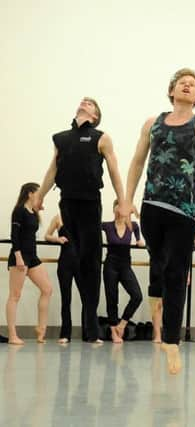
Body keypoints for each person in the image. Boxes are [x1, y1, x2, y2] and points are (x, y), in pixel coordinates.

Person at [122, 68, 195, 374]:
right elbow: (138, 161)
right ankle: (160, 319)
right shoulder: (153, 124)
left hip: (183, 212)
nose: (187, 86)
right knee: (160, 265)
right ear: (172, 90)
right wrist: (126, 200)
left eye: (193, 85)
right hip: (151, 206)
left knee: (176, 273)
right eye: (182, 82)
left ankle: (171, 342)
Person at [35, 97, 127, 343]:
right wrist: (40, 196)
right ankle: (69, 330)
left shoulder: (101, 138)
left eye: (91, 103)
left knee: (91, 263)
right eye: (83, 101)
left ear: (95, 116)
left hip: (89, 204)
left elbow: (115, 171)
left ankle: (91, 329)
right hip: (67, 202)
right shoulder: (61, 138)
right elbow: (52, 170)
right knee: (73, 258)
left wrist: (124, 201)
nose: (85, 102)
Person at [6, 183, 53, 345]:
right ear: (29, 193)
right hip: (20, 256)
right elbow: (14, 235)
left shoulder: (33, 212)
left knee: (47, 289)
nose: (40, 195)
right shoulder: (18, 210)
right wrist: (18, 257)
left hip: (32, 257)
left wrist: (38, 208)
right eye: (38, 192)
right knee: (15, 295)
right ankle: (12, 335)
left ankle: (41, 329)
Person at [102, 200, 144, 344]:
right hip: (110, 265)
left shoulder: (132, 226)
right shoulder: (107, 226)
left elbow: (139, 237)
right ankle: (114, 332)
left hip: (125, 265)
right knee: (112, 298)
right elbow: (89, 228)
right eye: (119, 206)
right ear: (114, 209)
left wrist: (139, 240)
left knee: (137, 295)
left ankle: (123, 324)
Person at [45, 213, 80, 343]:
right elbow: (47, 235)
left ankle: (89, 334)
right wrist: (57, 239)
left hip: (81, 263)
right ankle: (65, 334)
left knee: (87, 298)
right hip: (65, 262)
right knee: (66, 298)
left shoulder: (84, 216)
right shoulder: (58, 217)